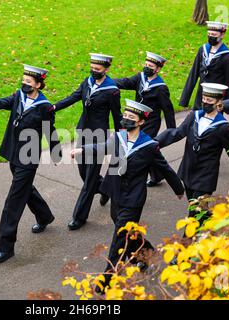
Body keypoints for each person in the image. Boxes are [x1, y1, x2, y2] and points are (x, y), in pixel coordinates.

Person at [71, 99, 184, 292]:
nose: (126, 119)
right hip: (116, 193)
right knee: (128, 232)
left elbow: (163, 167)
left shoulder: (149, 146)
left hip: (134, 198)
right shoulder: (118, 137)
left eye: (131, 117)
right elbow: (102, 147)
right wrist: (82, 150)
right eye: (125, 116)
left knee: (119, 238)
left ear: (141, 121)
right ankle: (147, 253)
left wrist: (178, 188)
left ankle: (106, 280)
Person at [0, 64, 62, 264]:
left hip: (28, 158)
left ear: (38, 84)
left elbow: (49, 129)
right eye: (24, 81)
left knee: (13, 201)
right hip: (13, 152)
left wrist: (56, 153)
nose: (24, 84)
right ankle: (44, 216)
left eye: (29, 82)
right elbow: (1, 102)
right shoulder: (19, 96)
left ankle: (5, 246)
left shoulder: (44, 106)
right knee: (25, 189)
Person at [52, 53, 122, 230]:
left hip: (99, 136)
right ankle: (106, 189)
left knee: (90, 179)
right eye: (92, 68)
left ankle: (79, 217)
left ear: (106, 69)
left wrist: (121, 136)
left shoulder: (112, 89)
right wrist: (54, 107)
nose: (93, 71)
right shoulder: (87, 81)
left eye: (97, 69)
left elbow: (116, 114)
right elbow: (74, 96)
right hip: (83, 132)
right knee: (83, 172)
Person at [156, 83, 229, 224]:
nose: (205, 102)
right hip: (188, 171)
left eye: (209, 100)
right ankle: (213, 226)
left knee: (194, 215)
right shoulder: (194, 116)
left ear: (219, 102)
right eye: (204, 98)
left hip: (206, 176)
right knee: (198, 210)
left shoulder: (224, 127)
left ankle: (187, 243)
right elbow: (177, 133)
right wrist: (154, 143)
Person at [115, 51, 176, 187]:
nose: (147, 68)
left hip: (151, 123)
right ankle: (157, 174)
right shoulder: (140, 78)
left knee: (142, 148)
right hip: (135, 121)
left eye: (151, 66)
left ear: (158, 69)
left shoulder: (160, 88)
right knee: (147, 149)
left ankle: (134, 176)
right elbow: (127, 82)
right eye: (146, 64)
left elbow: (168, 108)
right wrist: (110, 82)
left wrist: (172, 130)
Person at [180, 21, 229, 110]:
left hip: (215, 100)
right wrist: (184, 99)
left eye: (214, 34)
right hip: (200, 97)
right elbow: (193, 74)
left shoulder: (227, 57)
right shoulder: (202, 50)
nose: (211, 36)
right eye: (209, 34)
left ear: (222, 35)